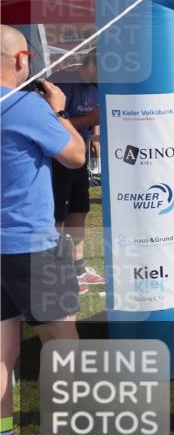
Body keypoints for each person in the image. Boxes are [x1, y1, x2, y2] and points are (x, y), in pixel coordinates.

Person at [1, 26, 115, 435]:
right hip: (31, 243)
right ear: (23, 59)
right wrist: (62, 112)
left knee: (2, 354)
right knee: (64, 349)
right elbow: (74, 156)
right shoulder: (25, 105)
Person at [50, 53, 103, 295]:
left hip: (79, 158)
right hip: (57, 159)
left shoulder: (93, 86)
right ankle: (57, 268)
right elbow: (53, 121)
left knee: (79, 210)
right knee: (57, 216)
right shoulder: (63, 83)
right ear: (93, 65)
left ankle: (77, 266)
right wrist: (88, 119)